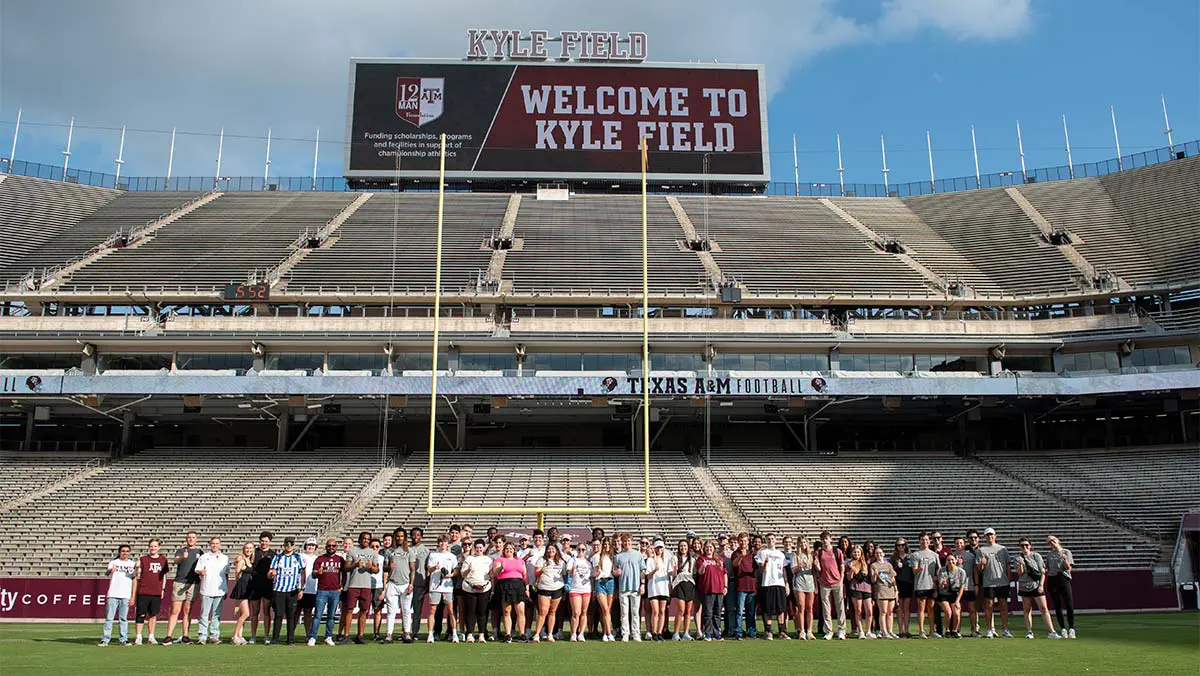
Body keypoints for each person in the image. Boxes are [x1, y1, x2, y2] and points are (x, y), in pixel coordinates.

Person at [1016, 537, 1061, 639]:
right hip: (1024, 586)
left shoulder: (1036, 556)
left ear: (1030, 546)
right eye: (1022, 545)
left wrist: (1041, 585)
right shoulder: (1018, 558)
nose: (1024, 547)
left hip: (1036, 585)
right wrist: (1021, 564)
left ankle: (1051, 631)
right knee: (1027, 609)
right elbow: (1020, 573)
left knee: (1044, 608)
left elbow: (1042, 572)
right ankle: (1029, 631)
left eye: (1026, 545)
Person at [163, 531, 202, 645]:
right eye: (189, 537)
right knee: (175, 610)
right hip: (180, 581)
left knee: (187, 611)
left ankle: (185, 635)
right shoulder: (181, 551)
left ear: (196, 539)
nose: (191, 539)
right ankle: (169, 636)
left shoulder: (200, 552)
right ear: (186, 539)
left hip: (193, 583)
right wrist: (182, 558)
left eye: (193, 537)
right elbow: (175, 561)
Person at [977, 527, 1013, 638]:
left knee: (1003, 605)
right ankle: (989, 629)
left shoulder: (1002, 549)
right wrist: (982, 564)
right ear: (985, 537)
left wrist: (1008, 579)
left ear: (995, 536)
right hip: (989, 582)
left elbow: (1008, 565)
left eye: (991, 535)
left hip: (1002, 581)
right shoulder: (981, 550)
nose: (990, 537)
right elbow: (979, 569)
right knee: (989, 606)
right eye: (987, 535)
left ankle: (1005, 629)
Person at [268, 536, 305, 645]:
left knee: (291, 615)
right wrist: (271, 574)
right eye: (287, 544)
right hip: (279, 590)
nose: (289, 547)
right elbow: (271, 572)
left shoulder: (298, 558)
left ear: (293, 546)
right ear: (284, 545)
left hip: (292, 590)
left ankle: (290, 639)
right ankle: (275, 638)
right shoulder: (278, 557)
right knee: (278, 615)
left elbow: (302, 573)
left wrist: (301, 589)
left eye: (291, 545)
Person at [309, 538, 345, 646]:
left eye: (333, 546)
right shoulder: (320, 559)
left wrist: (342, 586)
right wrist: (318, 573)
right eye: (329, 546)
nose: (331, 547)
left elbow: (344, 574)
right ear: (326, 547)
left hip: (335, 591)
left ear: (336, 547)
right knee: (317, 615)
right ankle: (313, 637)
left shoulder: (340, 559)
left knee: (331, 616)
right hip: (322, 590)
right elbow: (313, 574)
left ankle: (328, 636)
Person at [383, 528, 417, 644]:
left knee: (406, 610)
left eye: (402, 536)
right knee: (391, 611)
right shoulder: (389, 551)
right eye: (397, 536)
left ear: (405, 537)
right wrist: (389, 567)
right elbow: (384, 568)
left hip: (405, 584)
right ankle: (389, 635)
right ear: (394, 537)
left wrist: (411, 584)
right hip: (392, 583)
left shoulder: (409, 551)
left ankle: (406, 633)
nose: (399, 538)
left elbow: (412, 569)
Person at [195, 537, 230, 645]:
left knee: (216, 614)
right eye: (213, 543)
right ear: (210, 544)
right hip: (206, 589)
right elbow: (197, 570)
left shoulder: (225, 558)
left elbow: (226, 574)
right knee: (204, 614)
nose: (214, 545)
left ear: (220, 544)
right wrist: (201, 572)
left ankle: (214, 635)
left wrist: (226, 588)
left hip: (219, 590)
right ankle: (202, 636)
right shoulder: (204, 557)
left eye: (217, 543)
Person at [133, 538, 169, 646]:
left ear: (159, 547)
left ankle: (151, 636)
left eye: (155, 546)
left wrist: (163, 589)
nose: (153, 548)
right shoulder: (143, 559)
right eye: (151, 546)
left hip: (156, 591)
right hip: (143, 590)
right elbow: (137, 574)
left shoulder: (163, 559)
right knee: (141, 614)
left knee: (153, 615)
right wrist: (137, 568)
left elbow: (164, 576)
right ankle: (138, 636)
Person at [99, 544, 136, 646]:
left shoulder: (132, 564)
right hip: (113, 593)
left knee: (123, 618)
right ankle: (105, 639)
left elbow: (134, 580)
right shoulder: (114, 562)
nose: (125, 553)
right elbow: (107, 573)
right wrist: (110, 571)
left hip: (125, 594)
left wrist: (133, 596)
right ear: (119, 552)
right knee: (109, 618)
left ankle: (123, 639)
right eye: (123, 551)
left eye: (127, 551)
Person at [425, 535, 460, 643]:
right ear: (438, 543)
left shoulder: (452, 556)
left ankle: (454, 633)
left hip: (447, 587)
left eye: (444, 542)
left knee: (450, 610)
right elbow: (428, 569)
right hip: (435, 587)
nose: (442, 544)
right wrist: (434, 568)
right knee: (432, 610)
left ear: (447, 543)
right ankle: (430, 634)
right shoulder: (433, 555)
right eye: (440, 542)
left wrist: (450, 575)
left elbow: (457, 570)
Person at [754, 533, 788, 640]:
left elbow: (784, 570)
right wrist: (765, 563)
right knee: (767, 608)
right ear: (766, 541)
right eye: (768, 539)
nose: (770, 541)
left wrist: (786, 583)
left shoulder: (781, 554)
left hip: (779, 583)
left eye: (772, 539)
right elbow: (761, 569)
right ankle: (768, 631)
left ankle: (782, 631)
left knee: (780, 608)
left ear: (776, 540)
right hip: (767, 583)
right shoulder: (762, 552)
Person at [493, 542, 528, 643]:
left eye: (511, 548)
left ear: (514, 550)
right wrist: (501, 568)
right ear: (504, 550)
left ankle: (522, 634)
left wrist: (527, 589)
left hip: (519, 586)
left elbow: (525, 575)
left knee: (520, 611)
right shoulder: (499, 560)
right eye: (507, 548)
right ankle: (508, 634)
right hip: (505, 585)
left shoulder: (520, 561)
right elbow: (495, 573)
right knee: (507, 611)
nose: (509, 550)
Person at [530, 542, 566, 642]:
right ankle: (537, 634)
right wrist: (543, 569)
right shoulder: (541, 559)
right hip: (544, 588)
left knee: (552, 612)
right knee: (542, 612)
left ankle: (550, 634)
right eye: (549, 549)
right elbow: (536, 573)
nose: (551, 551)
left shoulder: (560, 562)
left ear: (556, 551)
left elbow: (563, 575)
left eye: (553, 550)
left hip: (557, 588)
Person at [813, 531, 846, 640]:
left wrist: (841, 580)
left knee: (840, 607)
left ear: (830, 539)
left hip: (836, 582)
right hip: (824, 583)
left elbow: (842, 566)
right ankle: (829, 631)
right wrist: (817, 566)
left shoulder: (837, 551)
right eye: (823, 539)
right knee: (826, 608)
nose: (824, 541)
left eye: (826, 538)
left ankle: (841, 630)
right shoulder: (819, 553)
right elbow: (818, 568)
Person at [613, 532, 645, 642]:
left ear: (632, 541)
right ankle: (625, 633)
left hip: (635, 587)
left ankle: (636, 633)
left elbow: (642, 570)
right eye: (625, 541)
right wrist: (616, 572)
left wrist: (642, 584)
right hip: (623, 588)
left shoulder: (638, 555)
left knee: (635, 612)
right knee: (624, 613)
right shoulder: (618, 556)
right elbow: (614, 571)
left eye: (629, 541)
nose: (627, 543)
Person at [461, 538, 494, 643]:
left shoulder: (488, 560)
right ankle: (470, 634)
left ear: (484, 548)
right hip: (470, 588)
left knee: (482, 612)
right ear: (474, 548)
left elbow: (491, 575)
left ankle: (481, 634)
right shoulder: (469, 559)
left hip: (484, 588)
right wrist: (468, 569)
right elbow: (463, 574)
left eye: (481, 547)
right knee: (470, 612)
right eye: (477, 547)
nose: (479, 549)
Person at [909, 531, 940, 639]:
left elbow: (939, 570)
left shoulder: (934, 554)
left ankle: (932, 630)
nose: (925, 541)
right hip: (920, 585)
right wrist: (919, 568)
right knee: (921, 608)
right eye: (922, 540)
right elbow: (914, 571)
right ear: (919, 541)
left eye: (926, 539)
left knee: (931, 609)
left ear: (929, 541)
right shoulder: (915, 555)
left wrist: (938, 577)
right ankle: (921, 630)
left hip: (931, 585)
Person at [1045, 535, 1076, 639]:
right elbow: (1048, 569)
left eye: (1053, 540)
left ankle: (1071, 628)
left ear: (1058, 540)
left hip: (1063, 577)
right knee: (1057, 605)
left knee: (1069, 604)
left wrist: (1065, 559)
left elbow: (1068, 567)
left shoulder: (1066, 552)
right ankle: (1062, 628)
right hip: (1052, 579)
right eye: (1049, 542)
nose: (1051, 543)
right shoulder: (1049, 555)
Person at [248, 531, 276, 644]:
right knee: (254, 612)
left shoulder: (273, 554)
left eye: (266, 541)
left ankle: (266, 636)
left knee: (266, 612)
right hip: (255, 585)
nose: (264, 543)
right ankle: (253, 636)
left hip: (268, 586)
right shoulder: (254, 552)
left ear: (269, 542)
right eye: (262, 541)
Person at [696, 540, 726, 641]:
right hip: (707, 589)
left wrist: (725, 586)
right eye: (707, 547)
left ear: (714, 548)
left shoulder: (719, 559)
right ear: (704, 548)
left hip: (719, 589)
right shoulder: (701, 559)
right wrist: (703, 566)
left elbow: (724, 573)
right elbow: (700, 572)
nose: (709, 549)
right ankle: (708, 633)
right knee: (708, 613)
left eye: (710, 547)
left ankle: (717, 633)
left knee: (717, 613)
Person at [730, 532, 757, 639]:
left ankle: (751, 632)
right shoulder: (735, 554)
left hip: (751, 585)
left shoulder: (752, 553)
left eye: (745, 541)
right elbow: (734, 564)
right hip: (741, 586)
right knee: (740, 611)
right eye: (741, 541)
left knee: (751, 612)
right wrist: (741, 555)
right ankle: (739, 632)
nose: (743, 543)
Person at [670, 539, 698, 641]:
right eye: (681, 546)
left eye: (685, 546)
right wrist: (674, 570)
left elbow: (694, 573)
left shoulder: (693, 560)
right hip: (679, 584)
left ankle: (686, 632)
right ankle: (676, 633)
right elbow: (672, 574)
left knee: (688, 611)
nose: (683, 548)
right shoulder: (675, 558)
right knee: (681, 609)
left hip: (690, 585)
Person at [566, 541, 593, 642]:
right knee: (576, 612)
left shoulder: (588, 562)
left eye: (583, 550)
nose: (581, 551)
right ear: (576, 550)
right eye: (579, 549)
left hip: (586, 589)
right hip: (575, 588)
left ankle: (581, 633)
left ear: (586, 551)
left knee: (584, 612)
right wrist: (573, 569)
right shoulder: (572, 560)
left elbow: (591, 575)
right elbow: (569, 573)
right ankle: (573, 633)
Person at [644, 540, 671, 641]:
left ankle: (660, 632)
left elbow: (670, 573)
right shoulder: (650, 560)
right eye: (657, 548)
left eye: (661, 547)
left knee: (662, 611)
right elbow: (648, 576)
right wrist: (655, 570)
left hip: (663, 588)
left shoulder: (666, 560)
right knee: (655, 611)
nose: (659, 549)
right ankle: (654, 631)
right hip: (654, 589)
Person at [229, 543, 255, 645]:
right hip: (242, 588)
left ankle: (240, 635)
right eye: (247, 548)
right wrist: (240, 568)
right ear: (243, 549)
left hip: (248, 588)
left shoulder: (250, 560)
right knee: (246, 614)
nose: (248, 550)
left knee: (242, 614)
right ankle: (235, 635)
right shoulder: (241, 558)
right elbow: (237, 573)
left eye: (250, 548)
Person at [791, 537, 816, 640]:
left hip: (810, 583)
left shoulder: (811, 555)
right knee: (801, 607)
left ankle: (809, 631)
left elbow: (815, 570)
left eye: (804, 542)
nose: (803, 544)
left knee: (810, 607)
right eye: (801, 542)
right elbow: (793, 570)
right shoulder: (795, 555)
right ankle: (802, 631)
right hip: (799, 582)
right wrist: (799, 566)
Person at [937, 553, 967, 638]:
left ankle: (955, 630)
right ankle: (947, 631)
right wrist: (942, 583)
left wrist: (957, 601)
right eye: (948, 560)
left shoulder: (961, 571)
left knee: (957, 613)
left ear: (956, 560)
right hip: (944, 594)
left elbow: (962, 587)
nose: (950, 561)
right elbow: (940, 586)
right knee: (948, 612)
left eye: (952, 560)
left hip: (955, 594)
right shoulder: (942, 570)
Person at [870, 547, 898, 639]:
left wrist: (896, 590)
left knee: (890, 612)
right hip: (881, 590)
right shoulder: (873, 565)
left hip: (890, 590)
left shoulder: (888, 565)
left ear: (883, 553)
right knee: (883, 612)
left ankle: (890, 631)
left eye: (880, 553)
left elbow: (893, 578)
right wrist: (875, 574)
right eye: (877, 553)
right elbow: (873, 580)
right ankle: (884, 631)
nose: (879, 555)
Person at [847, 545, 874, 639]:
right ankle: (861, 631)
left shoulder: (865, 563)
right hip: (855, 588)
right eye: (855, 552)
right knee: (858, 610)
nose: (856, 554)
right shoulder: (850, 563)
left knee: (869, 611)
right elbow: (849, 578)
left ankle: (868, 631)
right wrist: (851, 570)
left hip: (867, 588)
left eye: (858, 552)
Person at [591, 537, 616, 642]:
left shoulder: (612, 557)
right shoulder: (596, 557)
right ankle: (609, 633)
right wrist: (596, 573)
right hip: (600, 582)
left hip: (610, 582)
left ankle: (605, 633)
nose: (606, 546)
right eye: (605, 544)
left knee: (607, 611)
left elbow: (614, 571)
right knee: (605, 609)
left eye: (608, 544)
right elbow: (595, 573)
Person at [955, 534, 980, 637]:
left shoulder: (970, 556)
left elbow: (975, 571)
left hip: (969, 585)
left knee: (972, 609)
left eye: (961, 543)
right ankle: (957, 630)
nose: (959, 545)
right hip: (956, 586)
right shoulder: (952, 556)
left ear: (964, 544)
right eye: (957, 543)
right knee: (958, 610)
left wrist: (976, 584)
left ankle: (974, 630)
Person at [409, 527, 430, 639]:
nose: (415, 537)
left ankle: (415, 632)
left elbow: (428, 569)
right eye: (413, 535)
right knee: (406, 609)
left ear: (421, 536)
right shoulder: (407, 549)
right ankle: (406, 631)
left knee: (417, 610)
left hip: (419, 583)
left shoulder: (426, 550)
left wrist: (426, 583)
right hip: (406, 582)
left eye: (418, 535)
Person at [892, 538, 914, 637]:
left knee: (907, 608)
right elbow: (891, 573)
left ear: (906, 546)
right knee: (899, 609)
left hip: (908, 584)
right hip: (898, 584)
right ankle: (900, 631)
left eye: (902, 545)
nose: (901, 547)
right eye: (899, 545)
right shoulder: (894, 558)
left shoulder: (910, 557)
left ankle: (907, 630)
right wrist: (897, 567)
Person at [298, 538, 319, 638]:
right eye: (309, 545)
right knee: (296, 612)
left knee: (308, 612)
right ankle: (291, 635)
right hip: (300, 588)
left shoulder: (317, 558)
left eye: (313, 545)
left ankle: (308, 634)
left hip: (312, 588)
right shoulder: (300, 556)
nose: (310, 547)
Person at [368, 538, 386, 640]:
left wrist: (384, 589)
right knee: (364, 610)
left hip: (378, 586)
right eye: (372, 546)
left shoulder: (382, 559)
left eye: (377, 546)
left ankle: (377, 633)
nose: (374, 548)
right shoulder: (366, 557)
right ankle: (360, 633)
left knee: (378, 610)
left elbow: (385, 575)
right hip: (366, 585)